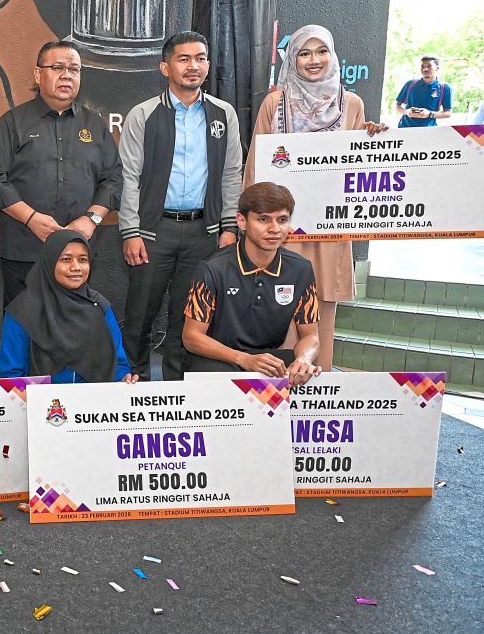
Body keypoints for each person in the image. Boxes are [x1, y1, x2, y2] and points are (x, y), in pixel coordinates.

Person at [245, 25, 387, 369]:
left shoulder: (350, 103)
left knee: (322, 309)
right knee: (279, 303)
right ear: (292, 59)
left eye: (321, 51)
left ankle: (315, 394)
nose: (314, 60)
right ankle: (275, 390)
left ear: (333, 55)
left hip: (328, 231)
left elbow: (357, 164)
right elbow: (256, 164)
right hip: (284, 230)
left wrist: (373, 138)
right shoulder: (274, 103)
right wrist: (252, 222)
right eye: (304, 53)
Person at [118, 31, 242, 381]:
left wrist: (229, 228)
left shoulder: (224, 114)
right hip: (152, 231)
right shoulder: (144, 114)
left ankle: (178, 389)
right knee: (140, 311)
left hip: (206, 232)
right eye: (183, 59)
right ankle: (135, 382)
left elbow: (232, 174)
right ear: (165, 66)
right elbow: (128, 176)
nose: (193, 66)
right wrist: (130, 231)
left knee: (188, 317)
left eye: (200, 58)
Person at [0, 40, 121, 308]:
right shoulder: (13, 122)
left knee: (72, 326)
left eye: (74, 69)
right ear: (38, 74)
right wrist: (32, 218)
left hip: (77, 249)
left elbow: (114, 178)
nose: (67, 75)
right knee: (23, 326)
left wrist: (91, 219)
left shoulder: (94, 124)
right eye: (57, 67)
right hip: (23, 246)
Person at [183, 182, 321, 386]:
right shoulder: (212, 268)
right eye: (263, 219)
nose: (274, 229)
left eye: (282, 220)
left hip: (268, 358)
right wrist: (243, 358)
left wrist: (303, 359)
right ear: (241, 221)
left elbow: (311, 336)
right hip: (219, 357)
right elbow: (191, 337)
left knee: (307, 374)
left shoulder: (301, 269)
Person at [0, 230, 138, 384]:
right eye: (66, 259)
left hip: (92, 402)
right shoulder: (23, 311)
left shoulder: (99, 306)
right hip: (42, 402)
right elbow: (10, 376)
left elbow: (118, 363)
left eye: (83, 260)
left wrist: (123, 379)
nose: (76, 267)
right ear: (49, 262)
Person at [395, 55, 452, 128]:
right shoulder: (410, 84)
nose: (425, 69)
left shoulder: (444, 88)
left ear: (437, 68)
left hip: (428, 131)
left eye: (429, 66)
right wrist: (407, 112)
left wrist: (429, 114)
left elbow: (448, 113)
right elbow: (397, 106)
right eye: (422, 66)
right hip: (404, 128)